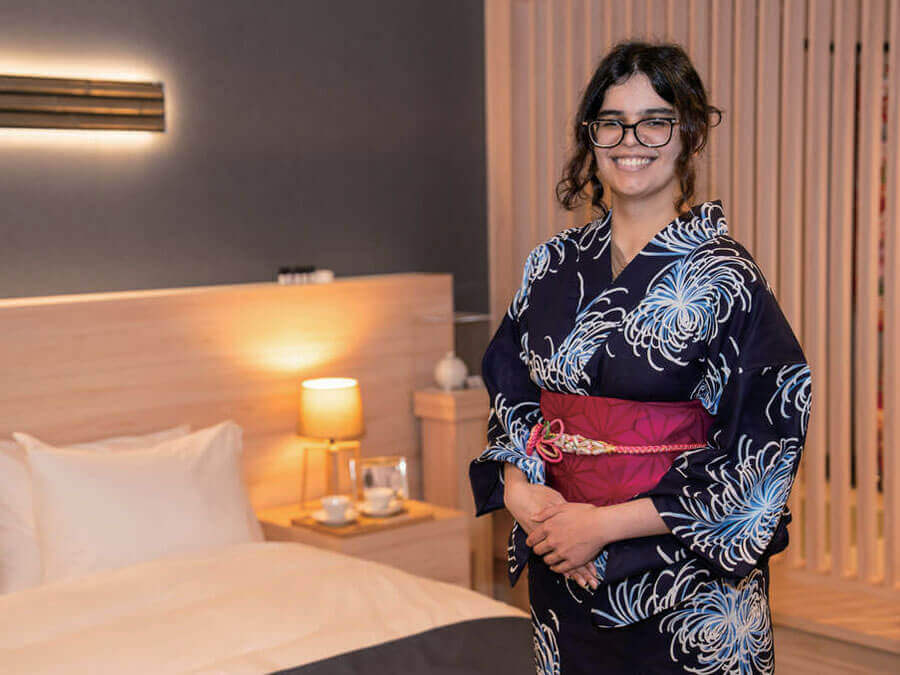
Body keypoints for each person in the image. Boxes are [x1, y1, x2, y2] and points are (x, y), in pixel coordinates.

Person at [468, 40, 812, 674]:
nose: (631, 141)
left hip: (683, 582)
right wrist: (520, 492)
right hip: (561, 562)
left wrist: (601, 528)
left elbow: (763, 442)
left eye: (655, 121)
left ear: (689, 134)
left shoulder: (727, 277)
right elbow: (512, 389)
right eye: (612, 122)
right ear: (591, 137)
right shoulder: (550, 265)